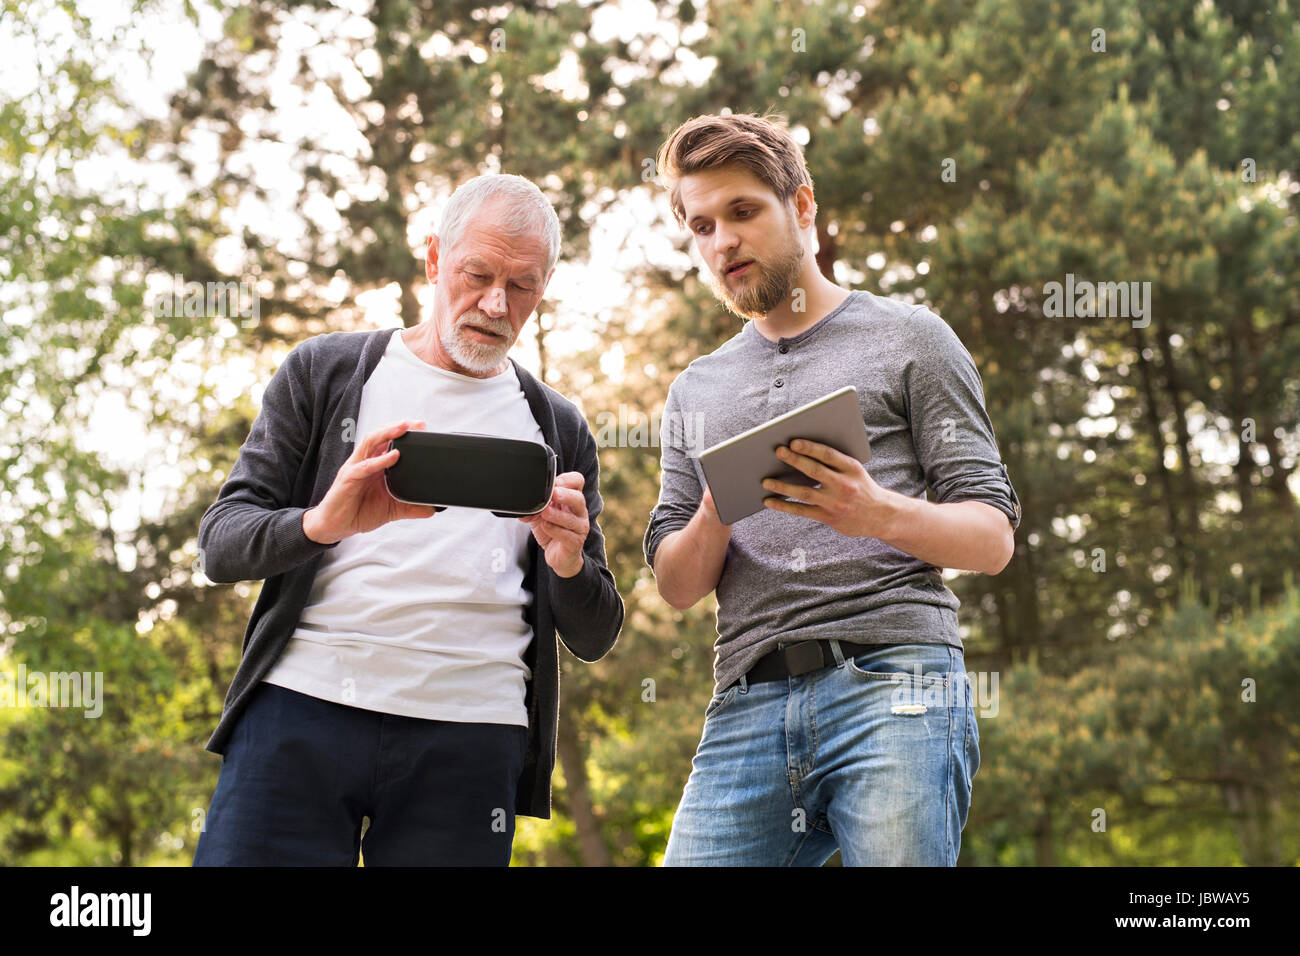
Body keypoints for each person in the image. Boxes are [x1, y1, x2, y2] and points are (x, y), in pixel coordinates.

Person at [193, 173, 623, 866]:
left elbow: (597, 632)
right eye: (476, 273)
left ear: (545, 287)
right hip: (301, 710)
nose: (494, 304)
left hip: (471, 736)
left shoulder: (558, 427)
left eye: (522, 286)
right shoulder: (325, 373)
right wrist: (323, 523)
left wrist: (568, 564)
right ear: (433, 258)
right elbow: (222, 542)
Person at [644, 113, 1022, 866]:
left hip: (898, 684)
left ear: (804, 206)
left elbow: (993, 539)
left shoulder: (912, 338)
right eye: (702, 226)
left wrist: (874, 511)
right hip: (746, 703)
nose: (722, 243)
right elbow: (677, 585)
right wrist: (718, 510)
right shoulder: (696, 388)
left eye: (743, 212)